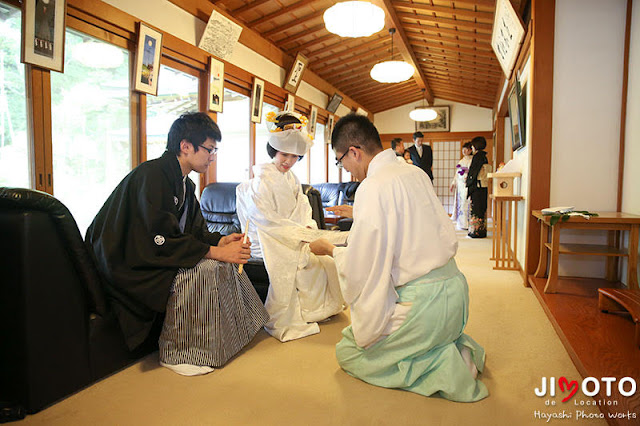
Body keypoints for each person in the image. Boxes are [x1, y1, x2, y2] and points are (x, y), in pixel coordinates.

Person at [309, 114, 487, 402]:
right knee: (366, 335)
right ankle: (451, 346)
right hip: (456, 296)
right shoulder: (415, 173)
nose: (347, 170)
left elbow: (364, 265)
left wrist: (331, 250)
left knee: (350, 350)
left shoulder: (373, 185)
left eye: (341, 161)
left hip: (425, 307)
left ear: (354, 151)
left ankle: (446, 365)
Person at [86, 112, 268, 376]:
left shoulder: (184, 183)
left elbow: (193, 232)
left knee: (220, 263)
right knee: (203, 269)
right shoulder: (152, 175)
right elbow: (155, 237)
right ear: (185, 146)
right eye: (209, 149)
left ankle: (224, 338)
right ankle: (177, 352)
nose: (212, 157)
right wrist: (217, 252)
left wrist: (221, 240)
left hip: (151, 252)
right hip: (123, 261)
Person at [236, 111, 346, 342]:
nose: (288, 161)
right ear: (273, 150)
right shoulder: (261, 182)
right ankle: (293, 315)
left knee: (326, 261)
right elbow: (265, 219)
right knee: (297, 264)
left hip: (289, 235)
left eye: (294, 156)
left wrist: (306, 228)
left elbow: (304, 209)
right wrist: (300, 235)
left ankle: (315, 311)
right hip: (266, 239)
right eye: (284, 154)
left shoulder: (292, 179)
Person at [466, 136, 490, 238]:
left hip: (477, 187)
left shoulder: (477, 156)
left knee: (476, 208)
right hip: (483, 187)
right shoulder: (484, 156)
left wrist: (468, 181)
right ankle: (481, 230)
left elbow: (474, 172)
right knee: (481, 208)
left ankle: (476, 232)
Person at [450, 141, 473, 230]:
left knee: (466, 203)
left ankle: (467, 223)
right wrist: (453, 183)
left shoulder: (472, 160)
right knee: (461, 203)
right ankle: (461, 223)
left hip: (466, 184)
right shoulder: (462, 160)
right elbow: (457, 174)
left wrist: (466, 173)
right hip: (460, 185)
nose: (464, 151)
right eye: (463, 149)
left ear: (470, 150)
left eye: (466, 149)